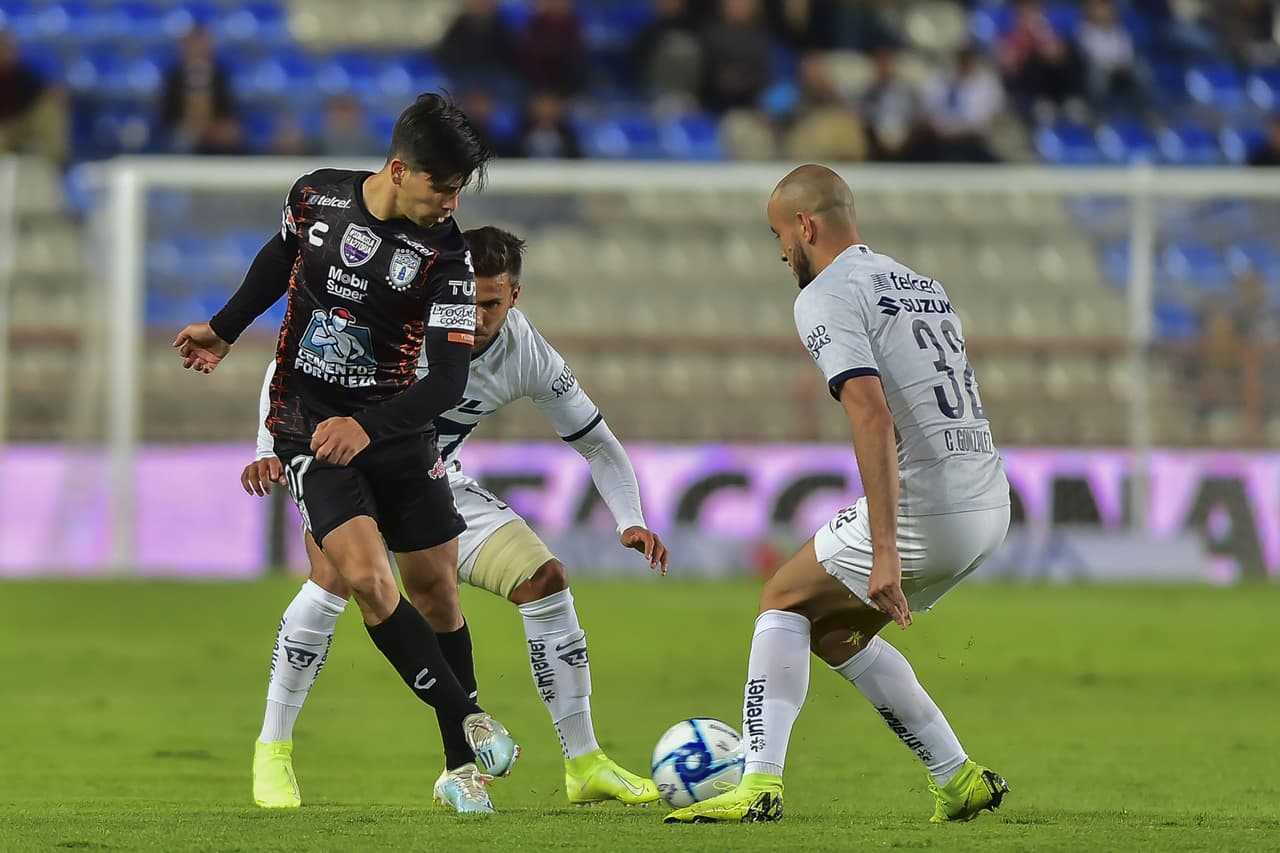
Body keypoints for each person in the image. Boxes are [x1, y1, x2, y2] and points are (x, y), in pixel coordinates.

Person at [241, 226, 670, 813]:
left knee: (543, 581)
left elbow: (598, 443)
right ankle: (274, 748)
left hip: (430, 476)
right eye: (464, 298)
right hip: (341, 466)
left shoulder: (526, 354)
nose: (474, 313)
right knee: (337, 577)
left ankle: (577, 763)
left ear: (514, 297)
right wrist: (267, 443)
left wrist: (630, 518)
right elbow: (293, 364)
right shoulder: (396, 313)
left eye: (490, 302)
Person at [172, 93, 520, 808]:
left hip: (393, 428)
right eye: (442, 188)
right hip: (309, 423)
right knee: (364, 578)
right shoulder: (317, 196)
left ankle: (461, 769)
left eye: (459, 190)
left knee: (437, 591)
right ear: (399, 169)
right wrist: (225, 326)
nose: (452, 203)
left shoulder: (446, 257)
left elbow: (449, 379)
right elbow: (280, 257)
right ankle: (468, 717)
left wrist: (372, 425)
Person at [665, 165, 1011, 824]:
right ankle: (958, 775)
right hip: (988, 500)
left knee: (782, 597)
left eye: (778, 235)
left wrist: (884, 551)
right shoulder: (922, 284)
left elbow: (872, 415)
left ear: (805, 225)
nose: (779, 253)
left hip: (928, 505)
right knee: (832, 631)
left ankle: (758, 783)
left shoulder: (826, 292)